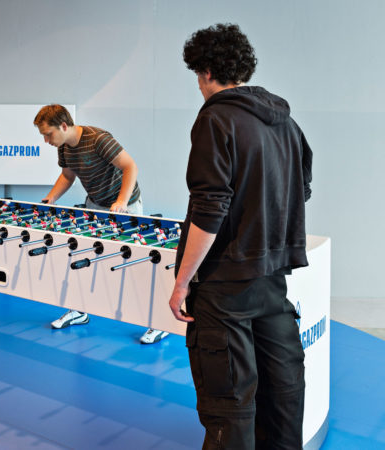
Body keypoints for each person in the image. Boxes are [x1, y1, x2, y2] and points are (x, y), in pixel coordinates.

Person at [168, 24, 312, 449]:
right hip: (272, 283)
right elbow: (301, 189)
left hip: (224, 289)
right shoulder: (286, 121)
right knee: (282, 398)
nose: (199, 86)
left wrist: (182, 281)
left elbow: (210, 208)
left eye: (198, 76)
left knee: (229, 406)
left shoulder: (215, 118)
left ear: (208, 72)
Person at [34, 104, 168, 344]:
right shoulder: (64, 147)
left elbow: (130, 166)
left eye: (48, 134)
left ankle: (159, 323)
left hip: (125, 207)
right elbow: (67, 175)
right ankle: (79, 310)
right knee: (82, 259)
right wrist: (51, 198)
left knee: (137, 266)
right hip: (95, 206)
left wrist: (121, 201)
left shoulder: (98, 139)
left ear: (63, 126)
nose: (46, 140)